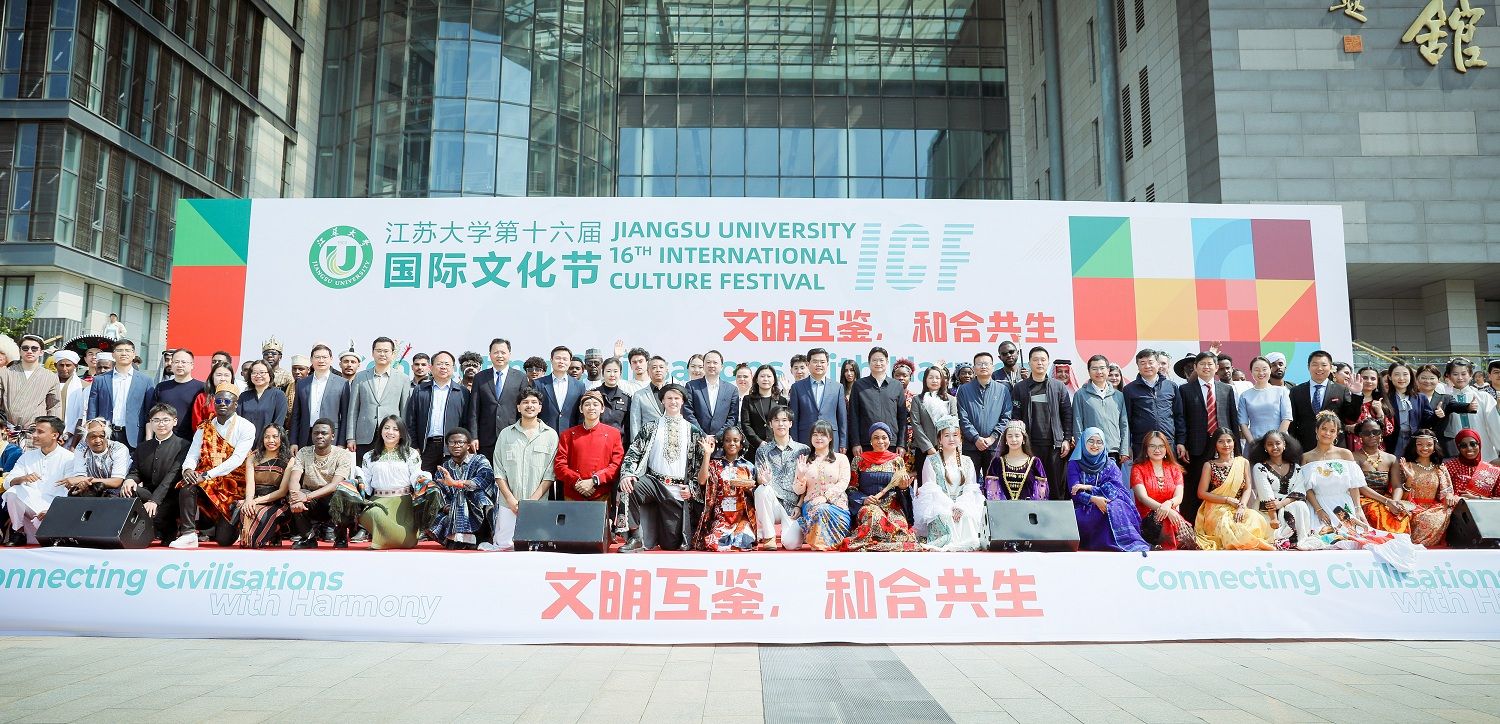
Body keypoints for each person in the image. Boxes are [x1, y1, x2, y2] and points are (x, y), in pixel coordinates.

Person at [332, 416, 438, 550]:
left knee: (406, 542)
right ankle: (380, 540)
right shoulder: (369, 455)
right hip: (379, 501)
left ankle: (389, 539)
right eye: (386, 428)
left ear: (401, 434)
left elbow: (416, 475)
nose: (390, 432)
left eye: (395, 429)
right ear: (381, 431)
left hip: (403, 503)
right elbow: (366, 483)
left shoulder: (411, 454)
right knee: (373, 512)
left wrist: (425, 482)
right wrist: (354, 484)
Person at [619, 384, 704, 551]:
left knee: (670, 544)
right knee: (628, 487)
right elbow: (633, 453)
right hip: (653, 482)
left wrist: (691, 488)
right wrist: (627, 473)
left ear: (682, 402)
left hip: (677, 490)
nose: (673, 401)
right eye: (669, 398)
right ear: (663, 401)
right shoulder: (651, 427)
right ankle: (635, 536)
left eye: (677, 398)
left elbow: (698, 465)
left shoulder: (693, 431)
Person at [175, 384, 255, 548]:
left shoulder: (246, 426)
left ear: (235, 404)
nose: (222, 403)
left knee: (223, 541)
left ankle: (232, 525)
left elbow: (237, 460)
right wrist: (188, 469)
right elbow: (192, 455)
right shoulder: (204, 427)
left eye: (227, 400)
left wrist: (205, 475)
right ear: (214, 403)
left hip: (234, 485)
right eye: (219, 400)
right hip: (207, 481)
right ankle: (189, 534)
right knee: (187, 484)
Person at [1174, 351, 1240, 522]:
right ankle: (1192, 528)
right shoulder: (1185, 390)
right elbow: (1181, 419)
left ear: (1216, 367)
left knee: (1220, 490)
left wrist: (1237, 452)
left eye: (1210, 364)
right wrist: (1182, 443)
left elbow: (1233, 420)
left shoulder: (1227, 389)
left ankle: (1219, 526)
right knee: (1193, 491)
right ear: (1195, 367)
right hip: (1195, 449)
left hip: (1222, 448)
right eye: (1202, 364)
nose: (1206, 367)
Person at [490, 388, 558, 550]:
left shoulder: (550, 435)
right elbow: (498, 471)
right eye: (525, 402)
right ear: (518, 407)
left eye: (534, 402)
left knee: (536, 548)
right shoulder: (506, 434)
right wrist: (512, 500)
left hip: (538, 504)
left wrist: (532, 502)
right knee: (505, 547)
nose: (530, 406)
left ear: (540, 407)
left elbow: (550, 473)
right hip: (509, 505)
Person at [1067, 427, 1151, 552]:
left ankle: (1127, 543)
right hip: (1083, 508)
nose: (1095, 445)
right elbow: (1075, 493)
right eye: (1091, 441)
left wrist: (1089, 487)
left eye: (1099, 442)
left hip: (1107, 504)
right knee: (1102, 511)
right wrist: (1094, 499)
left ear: (1104, 444)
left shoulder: (1110, 464)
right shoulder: (1074, 463)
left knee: (1117, 505)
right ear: (1083, 442)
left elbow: (1116, 490)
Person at [842, 422, 921, 552]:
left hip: (892, 506)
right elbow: (851, 488)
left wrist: (903, 488)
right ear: (871, 441)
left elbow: (903, 489)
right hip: (868, 505)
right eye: (876, 437)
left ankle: (879, 544)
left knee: (900, 526)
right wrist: (864, 499)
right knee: (875, 517)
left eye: (884, 437)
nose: (880, 441)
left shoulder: (897, 461)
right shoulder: (859, 460)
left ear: (889, 440)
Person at [1192, 428, 1275, 551]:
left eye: (1229, 441)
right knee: (1226, 524)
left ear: (1234, 442)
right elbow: (1201, 493)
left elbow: (1248, 488)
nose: (1226, 445)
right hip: (1216, 508)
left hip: (1238, 506)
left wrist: (1242, 507)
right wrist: (1227, 500)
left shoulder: (1243, 462)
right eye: (1221, 441)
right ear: (1215, 443)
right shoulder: (1209, 465)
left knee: (1254, 518)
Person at [914, 414, 987, 551]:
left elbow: (970, 488)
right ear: (940, 439)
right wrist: (951, 506)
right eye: (947, 435)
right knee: (945, 516)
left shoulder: (967, 461)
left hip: (963, 503)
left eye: (955, 435)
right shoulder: (931, 461)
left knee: (969, 515)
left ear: (960, 439)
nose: (951, 439)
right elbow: (931, 489)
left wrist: (960, 505)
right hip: (940, 503)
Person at [1299, 411, 1371, 545]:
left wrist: (1357, 509)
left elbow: (1353, 484)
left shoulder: (1345, 454)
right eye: (1324, 429)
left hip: (1343, 505)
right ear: (1316, 430)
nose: (1327, 433)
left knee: (1352, 539)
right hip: (1318, 506)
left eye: (1332, 430)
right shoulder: (1306, 457)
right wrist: (1319, 510)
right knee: (1322, 540)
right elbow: (1307, 489)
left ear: (1337, 433)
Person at [1012, 346, 1074, 499]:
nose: (1039, 363)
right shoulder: (1020, 388)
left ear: (1047, 363)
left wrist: (1066, 439)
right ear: (1029, 363)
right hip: (1030, 445)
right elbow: (1016, 416)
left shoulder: (1058, 386)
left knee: (1056, 486)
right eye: (1035, 360)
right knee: (1031, 485)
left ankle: (1057, 521)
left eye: (1043, 360)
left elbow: (1067, 414)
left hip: (1055, 446)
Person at [123, 404, 190, 544]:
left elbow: (171, 477)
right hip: (148, 493)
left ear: (175, 421)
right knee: (126, 491)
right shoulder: (143, 447)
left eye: (166, 420)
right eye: (156, 420)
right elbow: (135, 472)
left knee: (157, 518)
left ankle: (170, 530)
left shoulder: (183, 445)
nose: (161, 424)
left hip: (171, 496)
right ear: (151, 423)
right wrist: (129, 480)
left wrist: (154, 501)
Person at [1, 416, 74, 545]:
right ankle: (18, 531)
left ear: (54, 435)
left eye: (40, 432)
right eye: (34, 430)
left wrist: (53, 510)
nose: (34, 435)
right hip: (31, 506)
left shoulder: (69, 458)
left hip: (55, 509)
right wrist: (22, 478)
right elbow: (8, 483)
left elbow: (69, 492)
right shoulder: (27, 456)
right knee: (13, 491)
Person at [287, 418, 354, 548]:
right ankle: (309, 538)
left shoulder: (342, 455)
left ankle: (340, 536)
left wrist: (305, 497)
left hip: (333, 499)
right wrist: (296, 497)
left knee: (345, 498)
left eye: (324, 433)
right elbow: (294, 479)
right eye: (316, 433)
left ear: (332, 436)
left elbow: (335, 485)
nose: (319, 436)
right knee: (293, 496)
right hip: (312, 500)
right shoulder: (304, 452)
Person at [405, 350, 472, 473]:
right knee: (424, 484)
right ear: (431, 367)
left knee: (452, 486)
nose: (443, 367)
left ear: (453, 368)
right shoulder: (420, 390)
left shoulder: (463, 393)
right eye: (440, 363)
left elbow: (468, 421)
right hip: (426, 447)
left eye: (447, 364)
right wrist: (414, 447)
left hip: (453, 447)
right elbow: (411, 421)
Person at [693, 426, 758, 551]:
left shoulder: (748, 466)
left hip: (741, 517)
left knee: (744, 541)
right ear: (722, 443)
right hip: (721, 516)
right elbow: (702, 481)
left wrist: (749, 489)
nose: (732, 443)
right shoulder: (714, 464)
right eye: (728, 440)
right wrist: (707, 455)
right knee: (714, 543)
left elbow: (754, 497)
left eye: (735, 440)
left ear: (741, 443)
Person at [346, 336, 411, 462]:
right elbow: (353, 409)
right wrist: (350, 437)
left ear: (392, 354)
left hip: (392, 436)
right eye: (379, 350)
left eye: (386, 351)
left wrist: (403, 437)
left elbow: (404, 410)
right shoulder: (360, 377)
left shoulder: (403, 379)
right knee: (363, 474)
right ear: (372, 353)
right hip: (365, 435)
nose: (382, 354)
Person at [1246, 430, 1314, 549]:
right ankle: (1281, 539)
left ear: (1284, 445)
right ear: (1265, 447)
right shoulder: (1260, 467)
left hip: (1289, 503)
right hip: (1268, 511)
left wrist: (1282, 503)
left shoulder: (1296, 467)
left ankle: (1299, 540)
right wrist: (1273, 518)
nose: (1275, 447)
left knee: (1301, 506)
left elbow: (1299, 490)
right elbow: (1265, 493)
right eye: (1270, 444)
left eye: (1278, 443)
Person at [753, 406, 807, 551]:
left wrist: (799, 506)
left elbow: (807, 485)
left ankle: (787, 534)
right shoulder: (763, 450)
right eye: (776, 420)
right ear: (770, 424)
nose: (780, 424)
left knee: (792, 544)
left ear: (790, 423)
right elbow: (760, 478)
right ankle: (769, 536)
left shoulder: (803, 450)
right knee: (761, 490)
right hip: (772, 503)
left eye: (784, 420)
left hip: (793, 507)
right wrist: (763, 480)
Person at [431, 427, 495, 550]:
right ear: (447, 445)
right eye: (452, 442)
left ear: (468, 445)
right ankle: (458, 539)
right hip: (452, 511)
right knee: (431, 503)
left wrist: (455, 483)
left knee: (478, 495)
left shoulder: (480, 460)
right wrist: (449, 507)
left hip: (476, 508)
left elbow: (485, 478)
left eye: (460, 442)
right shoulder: (444, 467)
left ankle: (482, 537)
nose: (456, 445)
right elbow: (440, 492)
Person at [1131, 430, 1196, 550]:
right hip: (1147, 517)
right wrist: (1166, 510)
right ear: (1146, 449)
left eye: (1161, 446)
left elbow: (1179, 497)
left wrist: (1168, 504)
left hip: (1172, 515)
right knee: (1165, 520)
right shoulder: (1137, 469)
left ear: (1166, 449)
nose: (1157, 450)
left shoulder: (1175, 469)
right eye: (1152, 446)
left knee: (1181, 529)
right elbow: (1142, 497)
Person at [554, 390, 624, 502]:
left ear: (602, 409)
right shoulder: (567, 435)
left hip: (602, 494)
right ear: (581, 409)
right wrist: (577, 482)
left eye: (595, 404)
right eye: (587, 404)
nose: (591, 407)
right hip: (573, 494)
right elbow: (559, 465)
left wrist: (594, 481)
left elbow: (616, 464)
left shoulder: (613, 434)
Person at [794, 420, 852, 551]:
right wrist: (801, 475)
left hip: (837, 506)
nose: (818, 438)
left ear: (830, 437)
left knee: (823, 509)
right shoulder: (805, 461)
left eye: (823, 434)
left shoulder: (841, 458)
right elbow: (798, 490)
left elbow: (843, 482)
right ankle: (819, 542)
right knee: (819, 510)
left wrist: (826, 497)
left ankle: (827, 542)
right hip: (811, 506)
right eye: (815, 434)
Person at [1289, 350, 1361, 451]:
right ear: (1308, 367)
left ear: (1330, 368)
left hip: (1335, 446)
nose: (1319, 368)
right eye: (1315, 364)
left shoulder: (1341, 389)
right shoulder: (1296, 391)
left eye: (1324, 365)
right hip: (1306, 446)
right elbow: (1292, 423)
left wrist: (1357, 394)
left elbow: (1352, 417)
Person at [468, 338, 526, 463]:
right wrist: (473, 436)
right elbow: (474, 409)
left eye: (503, 352)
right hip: (485, 438)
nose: (499, 355)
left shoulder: (520, 377)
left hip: (512, 436)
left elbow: (524, 409)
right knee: (486, 475)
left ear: (509, 354)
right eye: (496, 352)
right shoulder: (480, 377)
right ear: (490, 355)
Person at [846, 347, 908, 459]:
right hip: (866, 443)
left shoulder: (896, 385)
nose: (878, 363)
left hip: (891, 444)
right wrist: (855, 443)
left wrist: (901, 443)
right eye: (874, 360)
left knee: (891, 476)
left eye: (881, 360)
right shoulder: (859, 385)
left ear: (887, 362)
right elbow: (853, 417)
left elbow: (902, 418)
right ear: (869, 363)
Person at [1352, 419, 1412, 535]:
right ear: (1360, 436)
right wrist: (1387, 502)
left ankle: (1397, 549)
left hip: (1387, 499)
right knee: (1375, 512)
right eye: (1366, 433)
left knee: (1402, 514)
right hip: (1361, 499)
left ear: (1381, 434)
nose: (1372, 435)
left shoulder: (1391, 458)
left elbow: (1397, 485)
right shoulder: (1353, 457)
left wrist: (1395, 502)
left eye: (1376, 432)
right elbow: (1360, 486)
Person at [954, 352, 1011, 475]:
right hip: (970, 446)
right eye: (979, 364)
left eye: (986, 364)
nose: (983, 367)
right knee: (969, 485)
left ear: (993, 367)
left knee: (993, 484)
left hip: (994, 446)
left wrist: (992, 437)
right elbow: (962, 417)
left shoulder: (1003, 390)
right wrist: (975, 438)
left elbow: (1006, 416)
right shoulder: (964, 390)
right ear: (974, 368)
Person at [1400, 429, 1458, 547]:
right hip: (1410, 508)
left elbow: (1447, 493)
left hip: (1433, 509)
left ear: (1434, 446)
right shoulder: (1406, 466)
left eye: (1429, 444)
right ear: (1414, 446)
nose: (1425, 448)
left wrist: (1449, 496)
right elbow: (1401, 497)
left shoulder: (1440, 468)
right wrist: (1410, 479)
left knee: (1446, 511)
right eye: (1420, 444)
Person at [238, 424, 291, 548]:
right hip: (255, 499)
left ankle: (276, 530)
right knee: (245, 511)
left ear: (282, 438)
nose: (270, 440)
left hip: (278, 502)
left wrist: (255, 501)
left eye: (275, 437)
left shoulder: (289, 460)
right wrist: (249, 500)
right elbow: (250, 484)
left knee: (255, 540)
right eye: (267, 437)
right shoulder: (252, 458)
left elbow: (282, 491)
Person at [290, 345, 350, 450]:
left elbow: (345, 416)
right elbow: (296, 415)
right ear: (311, 360)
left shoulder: (342, 383)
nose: (321, 360)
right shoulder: (302, 384)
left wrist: (341, 442)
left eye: (324, 357)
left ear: (331, 359)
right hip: (306, 436)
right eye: (317, 357)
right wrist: (293, 442)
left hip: (331, 437)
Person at [1073, 355, 1130, 464]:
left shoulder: (1118, 395)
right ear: (1089, 371)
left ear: (1108, 370)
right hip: (1090, 450)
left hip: (1113, 450)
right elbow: (1077, 423)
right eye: (1094, 369)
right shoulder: (1080, 395)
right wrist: (1081, 450)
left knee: (1112, 481)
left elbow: (1124, 424)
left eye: (1102, 368)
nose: (1099, 372)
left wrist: (1124, 450)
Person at [1123, 348, 1177, 461]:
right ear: (1138, 366)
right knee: (1143, 476)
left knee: (1168, 476)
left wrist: (1181, 442)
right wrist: (1127, 445)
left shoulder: (1171, 386)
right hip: (1141, 444)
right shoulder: (1129, 389)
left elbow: (1179, 416)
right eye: (1142, 363)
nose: (1147, 366)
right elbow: (1126, 420)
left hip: (1168, 442)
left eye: (1150, 362)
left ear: (1157, 364)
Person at [789, 348, 846, 452]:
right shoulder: (797, 387)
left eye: (822, 362)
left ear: (827, 364)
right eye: (815, 361)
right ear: (808, 364)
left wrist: (843, 442)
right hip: (805, 439)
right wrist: (794, 443)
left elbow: (842, 418)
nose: (819, 365)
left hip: (831, 439)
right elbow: (794, 419)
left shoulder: (837, 387)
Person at [1441, 358, 1500, 460]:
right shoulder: (1444, 399)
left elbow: (1494, 424)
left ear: (1470, 375)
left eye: (1464, 374)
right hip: (1455, 451)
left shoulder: (1483, 397)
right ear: (1449, 376)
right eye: (1455, 374)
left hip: (1484, 451)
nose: (1460, 378)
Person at [0, 335, 61, 428]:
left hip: (36, 432)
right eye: (25, 348)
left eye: (34, 349)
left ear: (41, 352)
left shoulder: (51, 377)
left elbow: (54, 406)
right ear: (20, 351)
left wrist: (54, 430)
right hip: (7, 430)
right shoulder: (5, 373)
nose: (29, 351)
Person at [61, 418, 131, 497]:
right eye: (93, 437)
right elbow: (80, 476)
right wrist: (82, 483)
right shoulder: (81, 448)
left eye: (101, 436)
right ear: (86, 439)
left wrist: (84, 480)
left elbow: (116, 482)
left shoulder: (118, 448)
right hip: (94, 489)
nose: (98, 440)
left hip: (118, 491)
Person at [983, 421, 1050, 501]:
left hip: (1028, 510)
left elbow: (1041, 493)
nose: (1013, 439)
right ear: (1006, 440)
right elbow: (992, 492)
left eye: (1017, 436)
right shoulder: (997, 462)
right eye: (1010, 436)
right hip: (1003, 510)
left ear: (1023, 439)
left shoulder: (1035, 462)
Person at [912, 365, 958, 481]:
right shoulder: (917, 400)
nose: (934, 380)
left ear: (942, 380)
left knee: (946, 483)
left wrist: (946, 445)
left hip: (947, 449)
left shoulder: (951, 400)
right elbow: (916, 424)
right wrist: (929, 448)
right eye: (931, 377)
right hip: (923, 450)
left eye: (937, 378)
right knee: (926, 485)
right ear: (925, 380)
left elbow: (954, 424)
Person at [1236, 357, 1292, 448]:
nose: (1261, 373)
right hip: (1255, 442)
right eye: (1257, 370)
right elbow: (1243, 423)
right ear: (1251, 372)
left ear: (1270, 370)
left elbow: (1287, 418)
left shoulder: (1281, 391)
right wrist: (1253, 444)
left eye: (1264, 369)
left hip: (1280, 442)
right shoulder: (1245, 395)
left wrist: (1277, 441)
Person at [1384, 362, 1436, 458]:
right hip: (1394, 440)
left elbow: (1428, 422)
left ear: (1411, 376)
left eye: (1405, 374)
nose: (1401, 378)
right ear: (1390, 377)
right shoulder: (1385, 398)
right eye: (1396, 374)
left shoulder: (1420, 398)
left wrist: (1437, 415)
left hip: (1415, 439)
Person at [685, 350, 740, 438]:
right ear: (703, 365)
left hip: (722, 442)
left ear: (722, 367)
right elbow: (688, 413)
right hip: (697, 439)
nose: (711, 365)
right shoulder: (691, 386)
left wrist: (718, 436)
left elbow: (733, 417)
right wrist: (703, 435)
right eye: (708, 362)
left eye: (715, 362)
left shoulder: (731, 389)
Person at [739, 364, 788, 454]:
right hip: (755, 448)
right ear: (756, 380)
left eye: (769, 376)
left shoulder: (781, 400)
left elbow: (785, 423)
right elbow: (746, 424)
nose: (765, 379)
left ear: (774, 380)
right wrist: (759, 442)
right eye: (762, 376)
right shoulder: (748, 399)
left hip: (777, 447)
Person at [537, 346, 585, 433]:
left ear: (570, 362)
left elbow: (581, 415)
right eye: (558, 358)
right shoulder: (538, 384)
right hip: (544, 434)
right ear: (551, 360)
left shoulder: (579, 386)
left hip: (570, 435)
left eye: (565, 359)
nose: (561, 361)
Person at [238, 360, 288, 442]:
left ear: (270, 374)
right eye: (254, 373)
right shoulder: (244, 396)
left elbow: (278, 424)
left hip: (269, 444)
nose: (258, 375)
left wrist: (264, 446)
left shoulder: (278, 395)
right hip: (245, 444)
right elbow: (238, 422)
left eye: (262, 372)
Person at [1445, 428, 1500, 499]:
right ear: (1458, 448)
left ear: (1479, 444)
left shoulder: (1493, 471)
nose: (1469, 448)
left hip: (1484, 509)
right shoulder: (1449, 467)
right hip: (1456, 508)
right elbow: (1441, 494)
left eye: (1473, 444)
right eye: (1463, 445)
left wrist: (1477, 498)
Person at [627, 356, 669, 444]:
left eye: (661, 367)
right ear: (648, 371)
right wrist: (636, 447)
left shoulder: (674, 393)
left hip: (670, 443)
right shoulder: (639, 395)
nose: (658, 370)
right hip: (648, 444)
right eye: (654, 367)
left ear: (666, 370)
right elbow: (635, 423)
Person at [53, 350, 85, 447]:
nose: (64, 368)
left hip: (72, 436)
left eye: (68, 365)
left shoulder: (84, 386)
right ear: (55, 365)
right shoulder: (47, 383)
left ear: (75, 366)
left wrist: (67, 434)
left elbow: (81, 415)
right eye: (61, 365)